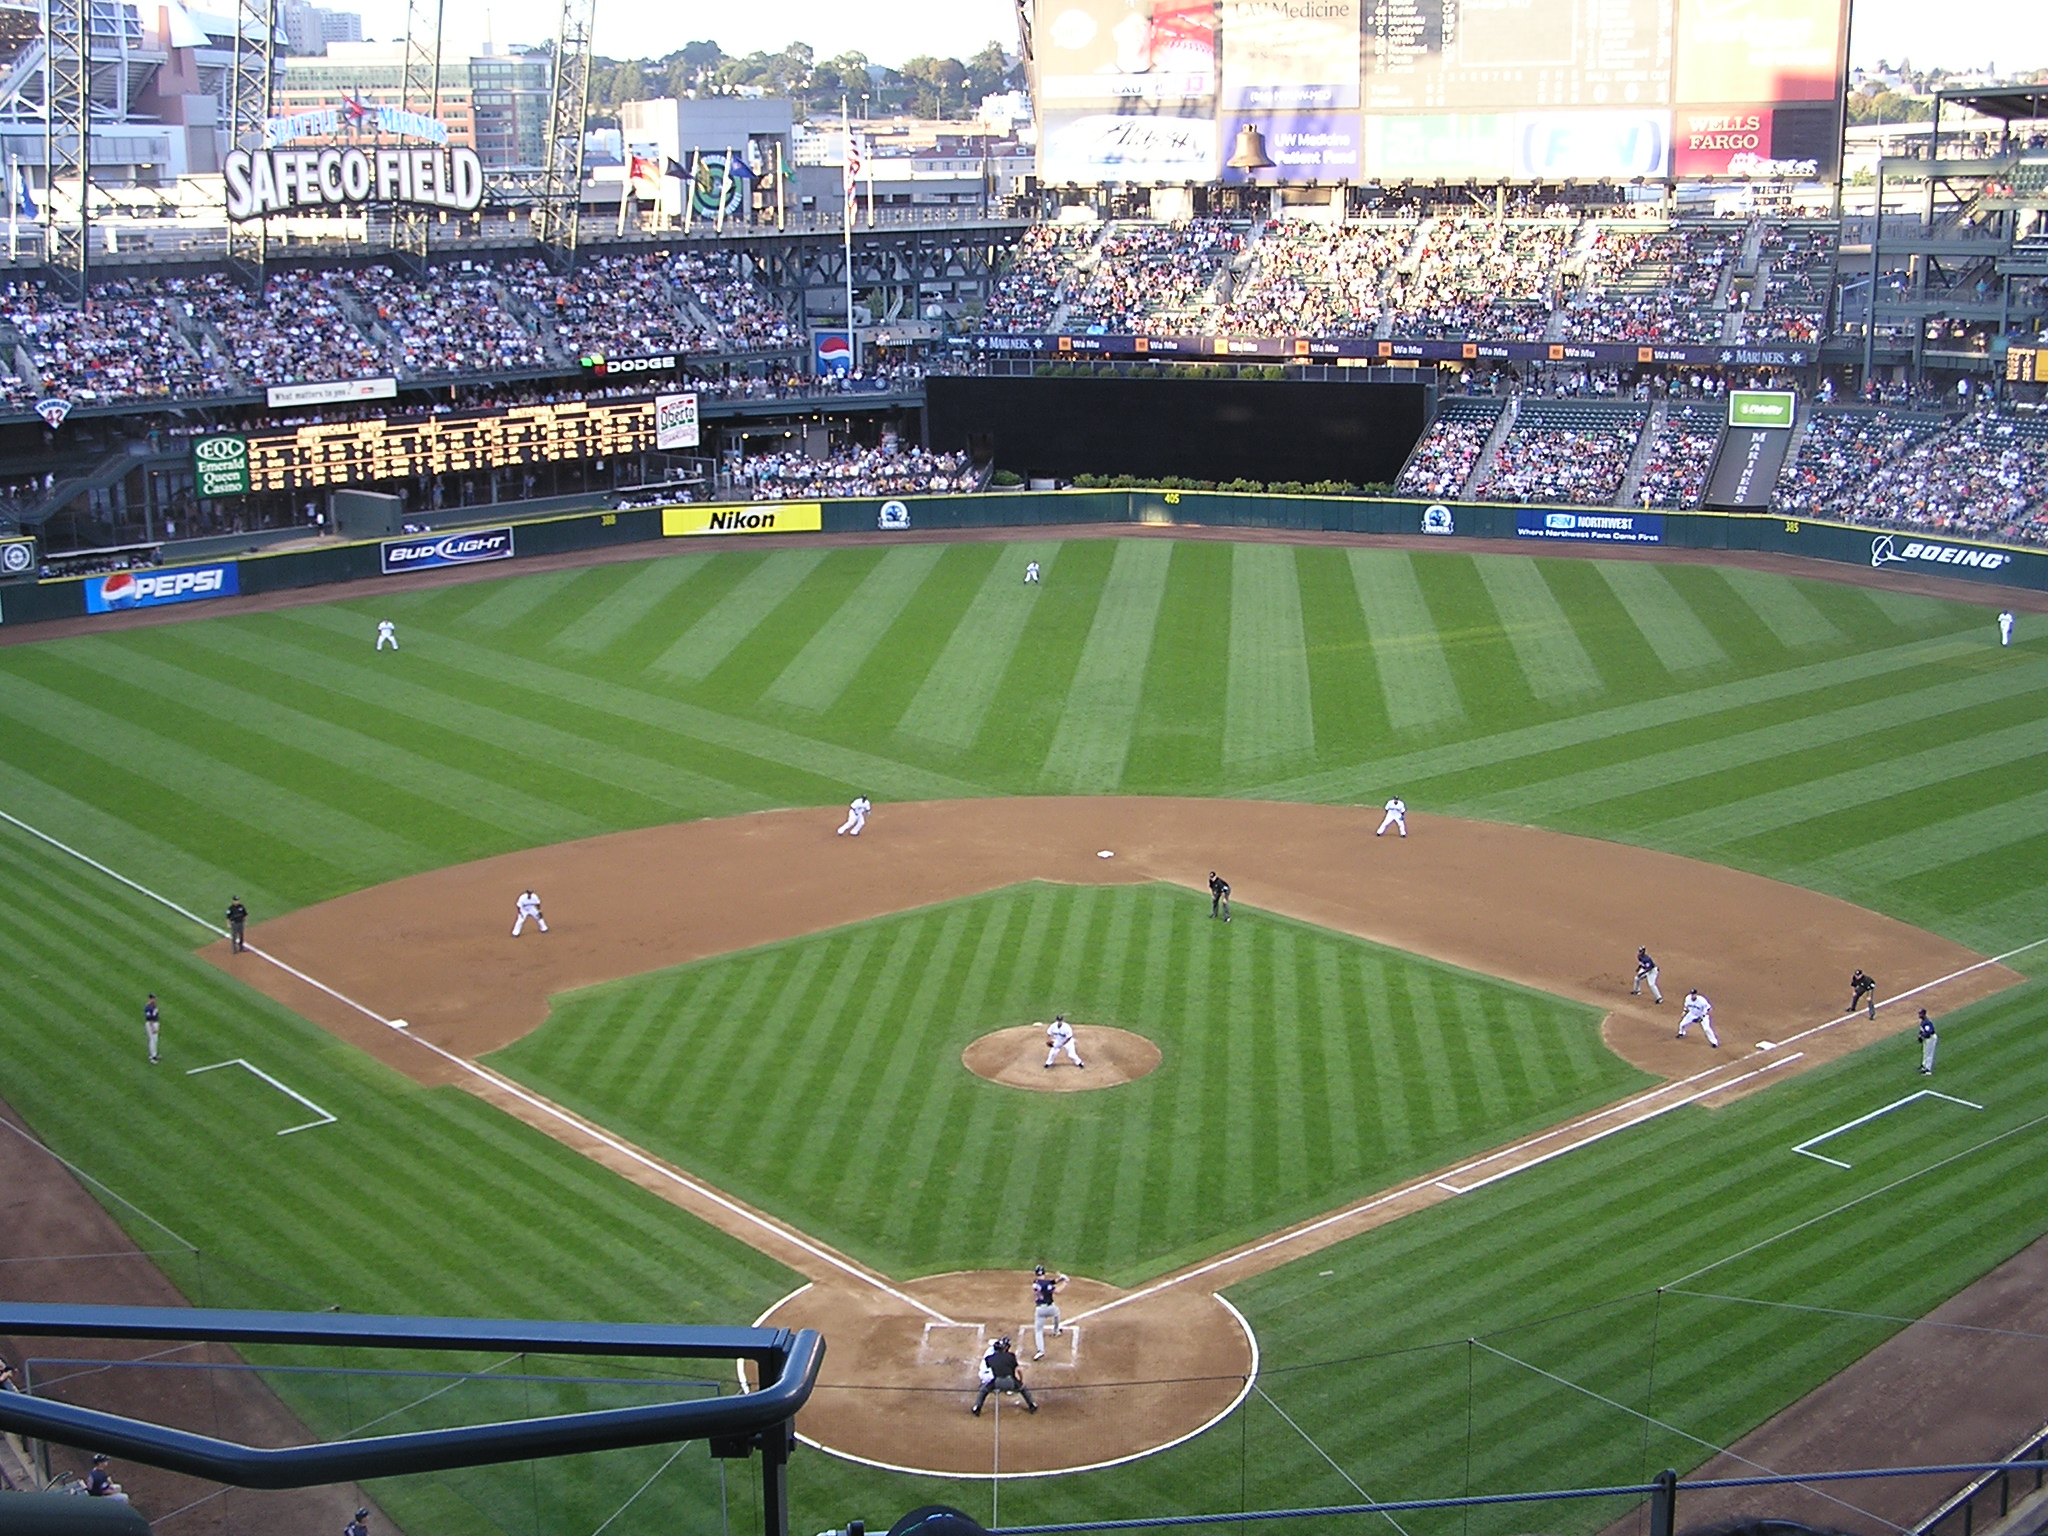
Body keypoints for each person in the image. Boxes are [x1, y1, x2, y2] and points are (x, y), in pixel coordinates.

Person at [971, 1337, 1036, 1415]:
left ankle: (977, 1408)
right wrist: (1021, 1382)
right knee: (1024, 1389)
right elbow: (1019, 1370)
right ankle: (1032, 1405)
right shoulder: (1011, 1356)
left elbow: (987, 1371)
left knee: (983, 1390)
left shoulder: (990, 1358)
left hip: (996, 1383)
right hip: (1011, 1382)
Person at [1030, 1265, 1068, 1359]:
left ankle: (1040, 1351)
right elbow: (1057, 1291)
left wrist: (1060, 1279)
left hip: (1039, 1310)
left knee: (1038, 1331)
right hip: (1050, 1308)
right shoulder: (1046, 1285)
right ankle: (1056, 1331)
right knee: (1057, 1313)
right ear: (1044, 1273)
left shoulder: (1035, 1283)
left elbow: (1050, 1282)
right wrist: (1065, 1282)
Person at [1918, 1008, 1939, 1075]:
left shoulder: (1927, 1022)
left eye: (1921, 1014)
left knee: (1929, 1053)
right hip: (1927, 1039)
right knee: (1925, 1052)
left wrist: (1922, 1036)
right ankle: (1924, 1066)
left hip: (1931, 1038)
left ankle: (1928, 1070)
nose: (1919, 1015)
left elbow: (1929, 1032)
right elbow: (1922, 1031)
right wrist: (1920, 1035)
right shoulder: (1923, 1022)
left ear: (1924, 1014)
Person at [143, 993, 160, 1064]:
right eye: (153, 998)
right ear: (150, 999)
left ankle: (154, 1054)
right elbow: (149, 1019)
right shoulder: (148, 1007)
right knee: (152, 1040)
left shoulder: (153, 1005)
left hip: (155, 1023)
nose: (155, 999)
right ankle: (153, 1057)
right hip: (151, 1024)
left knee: (155, 1039)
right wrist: (153, 1027)